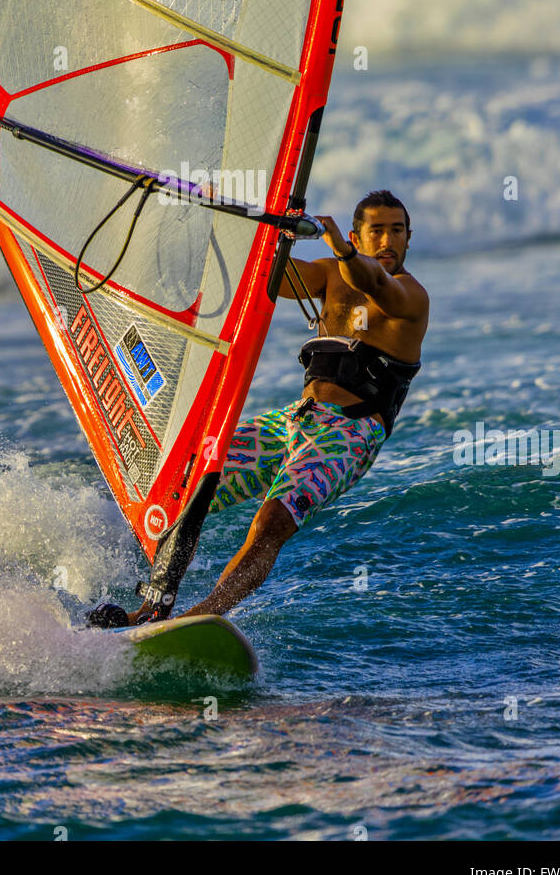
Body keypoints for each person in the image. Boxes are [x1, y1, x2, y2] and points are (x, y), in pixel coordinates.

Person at [127, 190, 429, 623]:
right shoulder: (330, 276)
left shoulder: (411, 297)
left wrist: (340, 251)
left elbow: (375, 285)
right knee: (183, 486)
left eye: (396, 231)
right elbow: (269, 277)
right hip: (293, 420)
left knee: (270, 523)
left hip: (348, 433)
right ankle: (150, 609)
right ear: (357, 236)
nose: (387, 241)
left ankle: (201, 618)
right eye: (376, 231)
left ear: (408, 237)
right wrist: (261, 233)